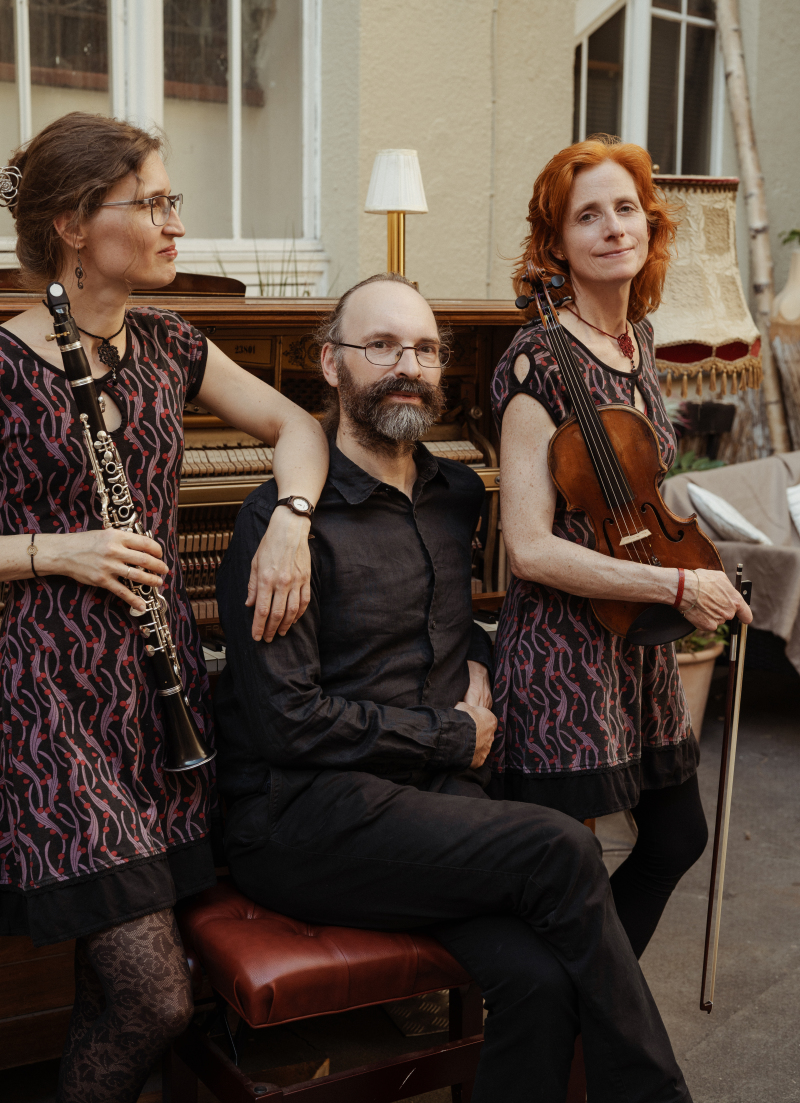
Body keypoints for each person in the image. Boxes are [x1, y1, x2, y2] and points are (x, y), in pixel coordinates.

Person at [215, 270, 694, 1103]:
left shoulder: (456, 494)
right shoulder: (280, 524)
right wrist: (450, 735)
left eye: (426, 349)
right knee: (561, 846)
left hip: (427, 806)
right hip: (304, 816)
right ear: (330, 363)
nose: (409, 365)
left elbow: (436, 622)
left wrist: (476, 654)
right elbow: (287, 721)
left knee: (539, 983)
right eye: (381, 346)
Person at [0, 112, 328, 1103]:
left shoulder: (172, 343)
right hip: (43, 704)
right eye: (151, 203)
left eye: (171, 200)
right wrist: (55, 549)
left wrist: (290, 522)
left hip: (154, 693)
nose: (176, 223)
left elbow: (298, 426)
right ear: (72, 225)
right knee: (152, 996)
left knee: (116, 990)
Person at [490, 136, 753, 959]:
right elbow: (530, 549)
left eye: (626, 209)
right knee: (560, 871)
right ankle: (570, 1015)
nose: (612, 228)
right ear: (556, 242)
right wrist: (675, 590)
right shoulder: (536, 361)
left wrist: (694, 565)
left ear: (650, 224)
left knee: (676, 837)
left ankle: (590, 1002)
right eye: (588, 216)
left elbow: (636, 487)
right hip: (563, 653)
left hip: (636, 639)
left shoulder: (638, 341)